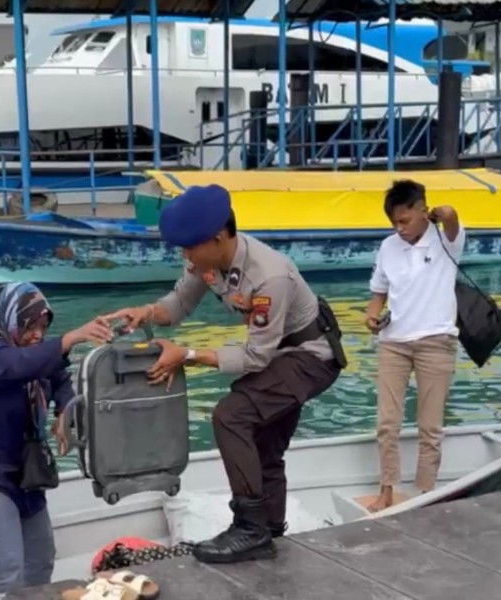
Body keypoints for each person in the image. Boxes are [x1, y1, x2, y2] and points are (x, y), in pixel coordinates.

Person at [101, 184, 346, 564]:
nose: (185, 255)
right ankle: (268, 528)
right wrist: (146, 312)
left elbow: (256, 356)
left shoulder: (269, 276)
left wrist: (188, 355)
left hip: (310, 356)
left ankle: (249, 529)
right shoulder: (207, 261)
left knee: (232, 416)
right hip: (279, 353)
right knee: (264, 441)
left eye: (189, 247)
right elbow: (179, 304)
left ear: (217, 238)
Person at [0, 282, 113, 599]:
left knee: (41, 558)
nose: (38, 334)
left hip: (25, 473)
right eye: (30, 326)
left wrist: (64, 409)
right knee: (10, 567)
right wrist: (71, 338)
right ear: (9, 321)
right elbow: (20, 366)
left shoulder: (36, 354)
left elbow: (59, 379)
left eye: (43, 327)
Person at [365, 179, 464, 512]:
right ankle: (387, 489)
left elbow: (451, 216)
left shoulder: (446, 240)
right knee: (387, 423)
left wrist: (439, 213)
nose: (399, 228)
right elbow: (378, 291)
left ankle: (425, 492)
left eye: (405, 220)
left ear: (423, 212)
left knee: (430, 426)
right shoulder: (388, 246)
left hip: (436, 342)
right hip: (393, 342)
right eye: (394, 221)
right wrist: (372, 316)